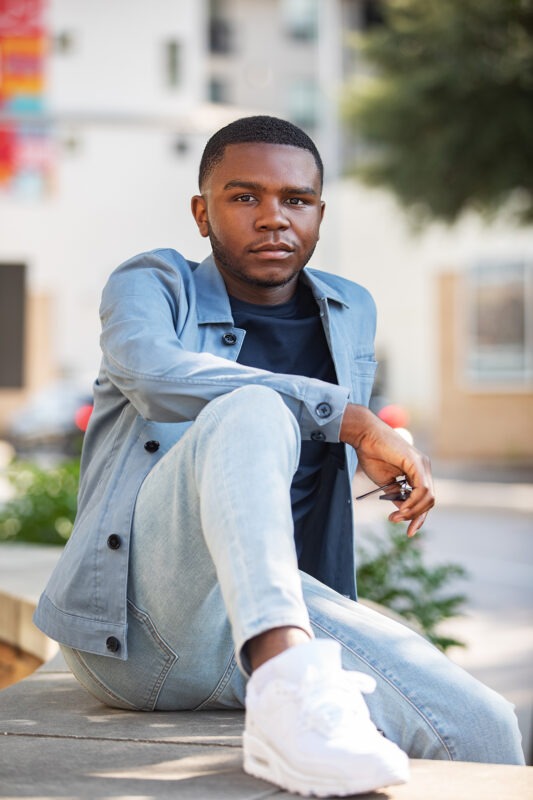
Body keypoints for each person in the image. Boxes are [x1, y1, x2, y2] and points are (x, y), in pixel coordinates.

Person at [34, 116, 524, 797]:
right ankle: (285, 685)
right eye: (244, 197)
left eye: (295, 200)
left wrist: (382, 444)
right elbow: (149, 371)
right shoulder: (153, 284)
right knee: (251, 406)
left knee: (480, 728)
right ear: (202, 213)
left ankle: (291, 683)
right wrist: (351, 420)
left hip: (274, 614)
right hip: (135, 634)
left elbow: (313, 461)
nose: (273, 218)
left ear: (319, 213)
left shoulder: (349, 307)